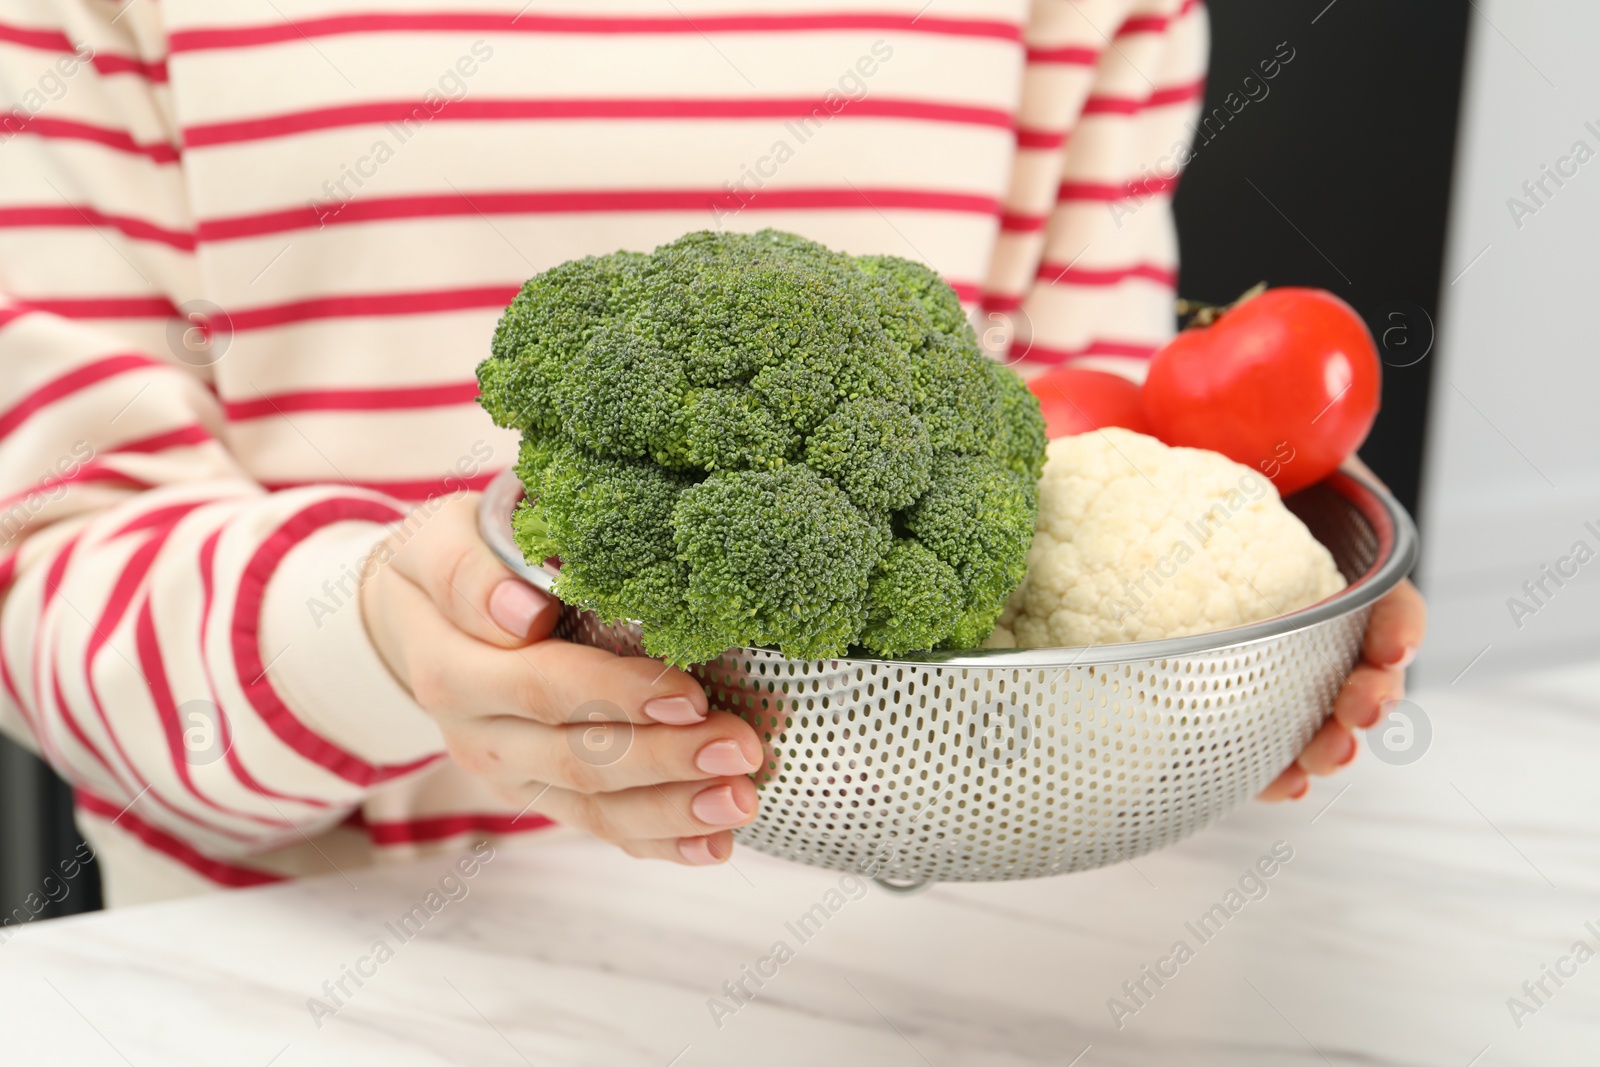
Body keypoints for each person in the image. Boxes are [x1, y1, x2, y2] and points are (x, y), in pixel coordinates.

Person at [0, 0, 1423, 905]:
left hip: (940, 957)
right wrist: (379, 633)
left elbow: (1075, 452)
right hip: (310, 974)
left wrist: (1216, 661)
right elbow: (49, 565)